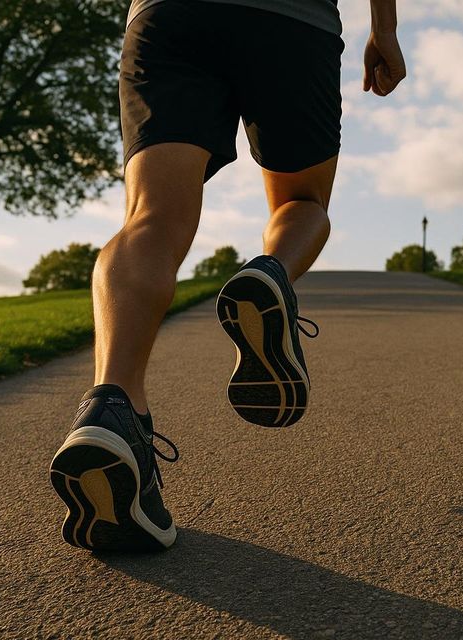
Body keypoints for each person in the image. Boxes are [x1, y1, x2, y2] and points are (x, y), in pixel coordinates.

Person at [49, 0, 406, 551]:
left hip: (169, 15)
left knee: (152, 219)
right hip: (293, 21)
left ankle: (111, 406)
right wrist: (384, 29)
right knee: (303, 202)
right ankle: (271, 274)